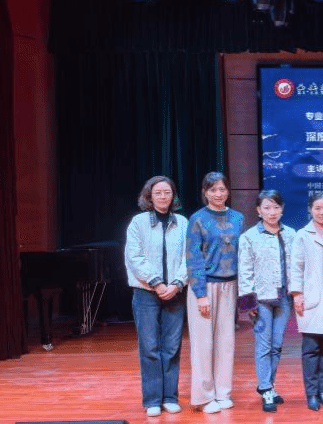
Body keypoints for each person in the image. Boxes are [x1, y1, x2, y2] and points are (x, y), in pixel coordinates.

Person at [124, 175, 188, 417]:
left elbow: (189, 258)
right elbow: (134, 256)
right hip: (146, 293)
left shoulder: (182, 222)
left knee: (171, 347)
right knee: (150, 347)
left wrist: (177, 284)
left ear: (173, 196)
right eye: (158, 193)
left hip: (175, 292)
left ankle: (170, 397)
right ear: (149, 196)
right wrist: (157, 283)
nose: (163, 196)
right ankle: (152, 400)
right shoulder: (138, 222)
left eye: (167, 192)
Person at [186, 172, 244, 414]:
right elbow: (193, 258)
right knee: (203, 344)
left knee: (226, 343)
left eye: (222, 189)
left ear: (228, 191)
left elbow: (241, 256)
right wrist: (200, 294)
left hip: (230, 285)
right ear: (205, 192)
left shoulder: (238, 218)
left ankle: (223, 393)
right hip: (204, 286)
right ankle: (203, 396)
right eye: (213, 190)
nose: (218, 194)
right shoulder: (197, 219)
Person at [237, 190, 295, 413]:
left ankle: (268, 385)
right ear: (258, 211)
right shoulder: (249, 237)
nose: (272, 212)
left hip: (284, 298)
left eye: (276, 207)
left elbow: (296, 266)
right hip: (261, 299)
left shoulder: (291, 234)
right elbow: (245, 271)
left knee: (277, 344)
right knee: (264, 345)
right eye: (267, 208)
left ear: (282, 209)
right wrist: (248, 303)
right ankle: (265, 387)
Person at [290, 193, 323, 412]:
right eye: (318, 208)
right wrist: (297, 294)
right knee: (311, 348)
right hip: (311, 298)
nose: (322, 212)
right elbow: (296, 267)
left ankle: (322, 391)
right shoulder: (302, 235)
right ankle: (311, 393)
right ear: (310, 209)